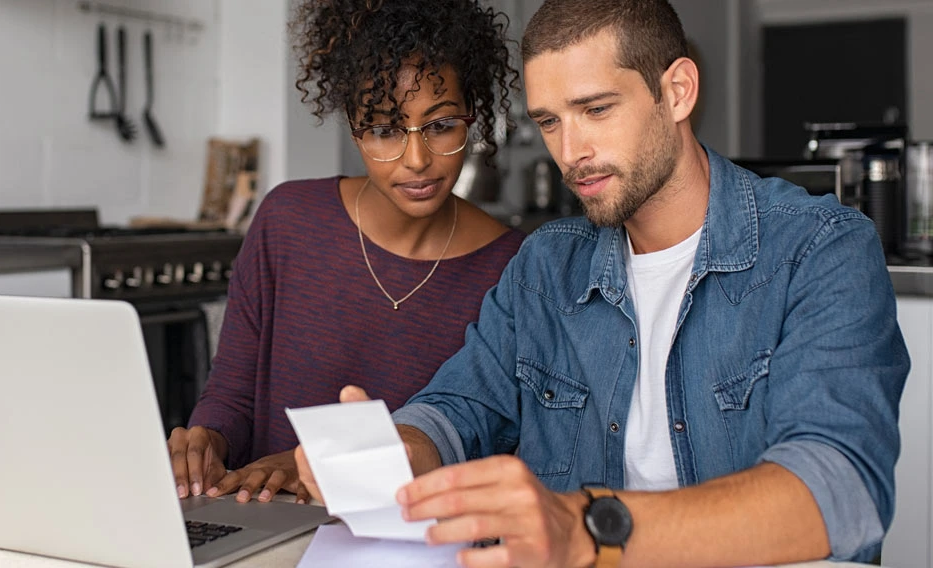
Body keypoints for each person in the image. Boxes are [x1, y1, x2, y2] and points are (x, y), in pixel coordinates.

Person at [297, 0, 909, 566]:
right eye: (549, 121)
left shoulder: (821, 247)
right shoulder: (545, 267)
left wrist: (588, 528)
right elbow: (460, 408)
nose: (572, 151)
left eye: (595, 109)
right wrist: (394, 451)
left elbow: (840, 488)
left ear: (676, 91)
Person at [168, 0, 525, 505]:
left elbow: (485, 445)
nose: (417, 160)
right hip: (269, 527)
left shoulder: (513, 268)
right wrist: (208, 440)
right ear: (353, 126)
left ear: (474, 115)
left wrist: (309, 468)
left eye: (441, 125)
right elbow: (233, 397)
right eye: (384, 130)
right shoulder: (286, 221)